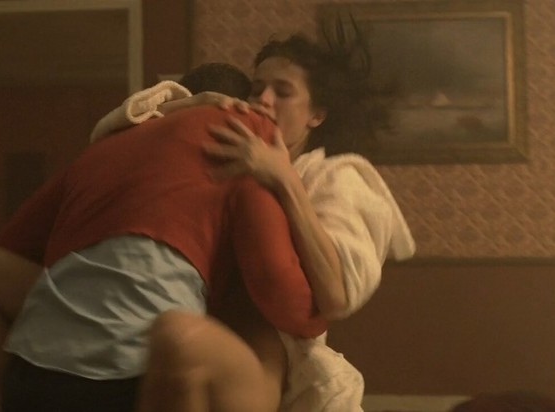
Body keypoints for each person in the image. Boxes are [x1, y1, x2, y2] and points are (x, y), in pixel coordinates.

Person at [0, 63, 327, 412]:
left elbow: (11, 243)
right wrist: (323, 309)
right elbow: (287, 299)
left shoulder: (107, 145)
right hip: (127, 383)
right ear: (233, 107)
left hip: (31, 376)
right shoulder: (239, 138)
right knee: (227, 340)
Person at [136, 29, 416, 412]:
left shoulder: (336, 176)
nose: (263, 100)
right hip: (202, 324)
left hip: (270, 357)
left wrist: (283, 178)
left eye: (282, 92)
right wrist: (191, 106)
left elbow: (336, 297)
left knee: (179, 337)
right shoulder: (231, 151)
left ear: (316, 114)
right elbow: (122, 136)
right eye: (256, 89)